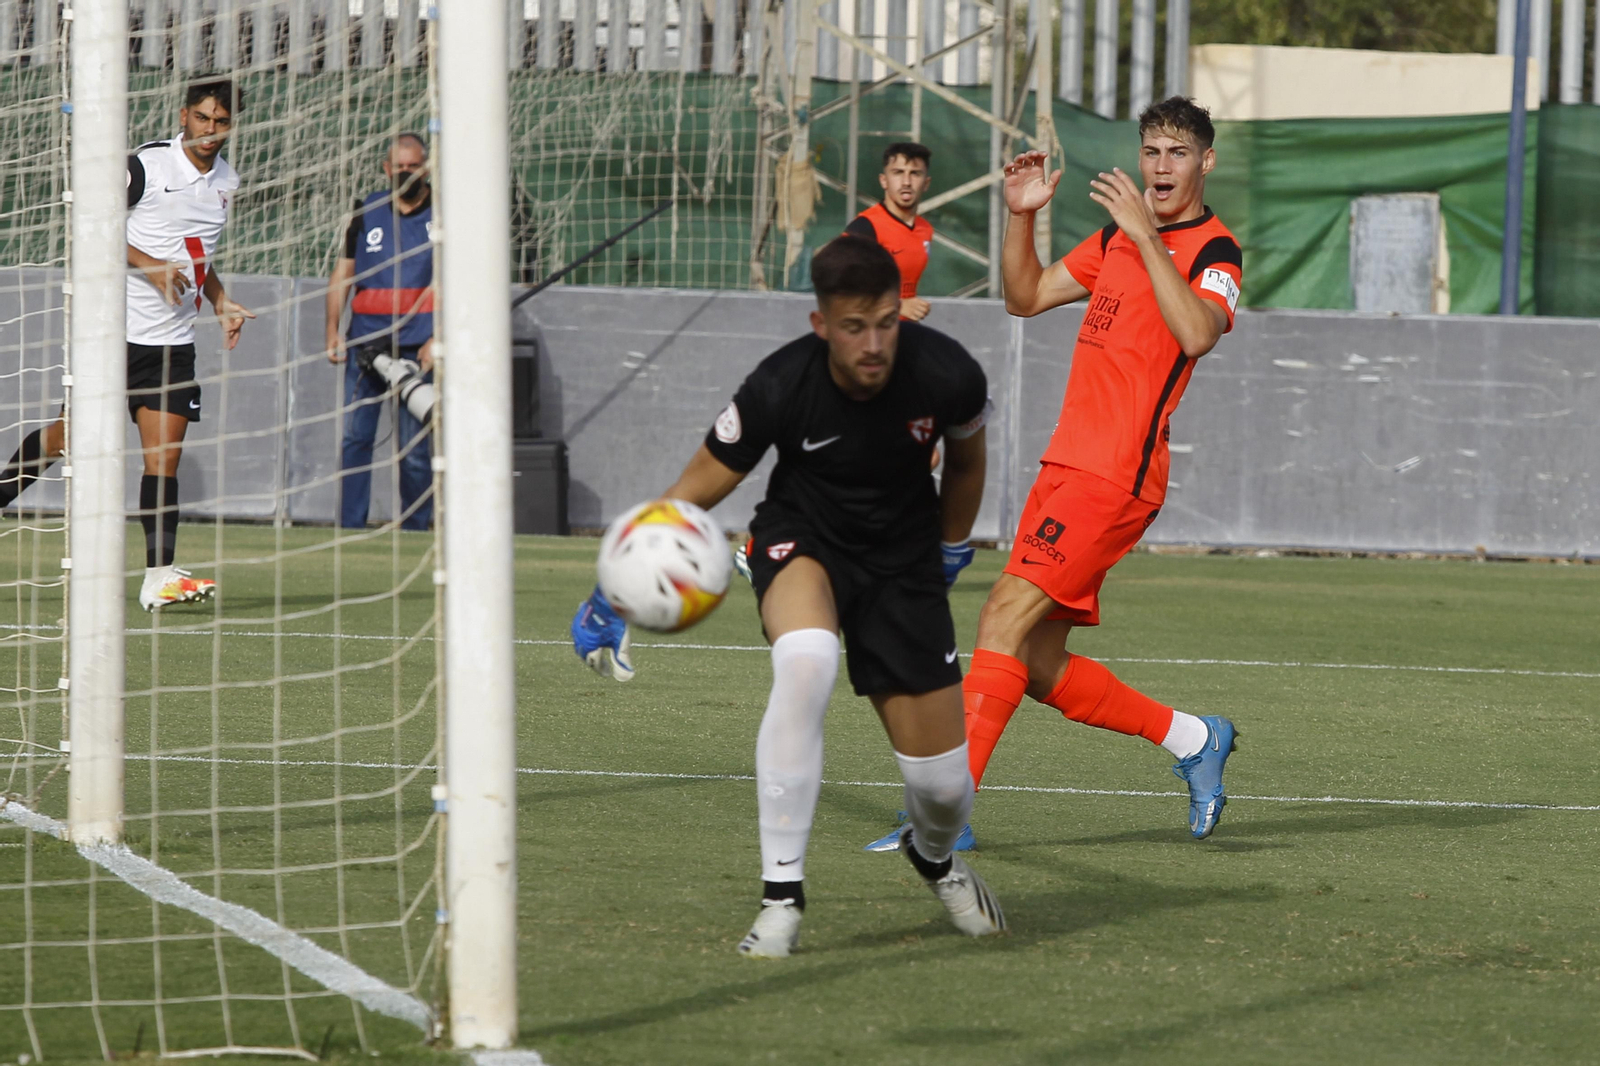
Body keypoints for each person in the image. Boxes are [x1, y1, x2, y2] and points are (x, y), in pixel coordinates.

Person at [572, 236, 1005, 957]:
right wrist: (611, 590)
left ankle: (933, 858)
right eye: (854, 326)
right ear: (820, 325)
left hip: (903, 566)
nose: (873, 344)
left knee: (944, 791)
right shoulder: (779, 384)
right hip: (802, 540)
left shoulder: (947, 370)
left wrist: (954, 544)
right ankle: (782, 897)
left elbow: (966, 460)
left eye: (887, 323)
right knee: (806, 662)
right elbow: (696, 490)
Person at [867, 97, 1243, 851]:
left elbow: (1198, 334)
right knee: (1034, 662)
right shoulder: (1115, 237)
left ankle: (942, 818)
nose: (1160, 166)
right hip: (1066, 466)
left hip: (1116, 477)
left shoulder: (1214, 250)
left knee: (1000, 617)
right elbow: (1026, 296)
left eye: (1176, 152)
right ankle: (1195, 738)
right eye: (1151, 151)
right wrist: (1021, 216)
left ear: (1205, 161)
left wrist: (1145, 237)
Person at [0, 79, 254, 611]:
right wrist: (151, 266)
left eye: (221, 121)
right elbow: (93, 225)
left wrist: (221, 300)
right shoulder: (147, 165)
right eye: (203, 118)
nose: (210, 131)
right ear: (184, 115)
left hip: (173, 344)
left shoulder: (227, 179)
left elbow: (195, 255)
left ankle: (158, 576)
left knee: (163, 461)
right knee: (66, 440)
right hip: (113, 335)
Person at [325, 134, 435, 531]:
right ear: (387, 170)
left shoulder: (445, 216)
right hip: (365, 346)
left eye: (413, 165)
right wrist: (332, 331)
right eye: (399, 166)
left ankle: (416, 532)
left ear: (426, 167)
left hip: (418, 350)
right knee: (356, 440)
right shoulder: (365, 211)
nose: (405, 172)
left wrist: (439, 338)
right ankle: (349, 528)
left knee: (415, 450)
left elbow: (458, 280)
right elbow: (344, 273)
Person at [845, 142, 935, 323]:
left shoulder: (925, 229)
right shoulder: (865, 227)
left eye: (915, 173)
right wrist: (898, 305)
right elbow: (842, 286)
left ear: (926, 183)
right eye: (898, 172)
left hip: (903, 332)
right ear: (883, 180)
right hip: (868, 334)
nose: (906, 182)